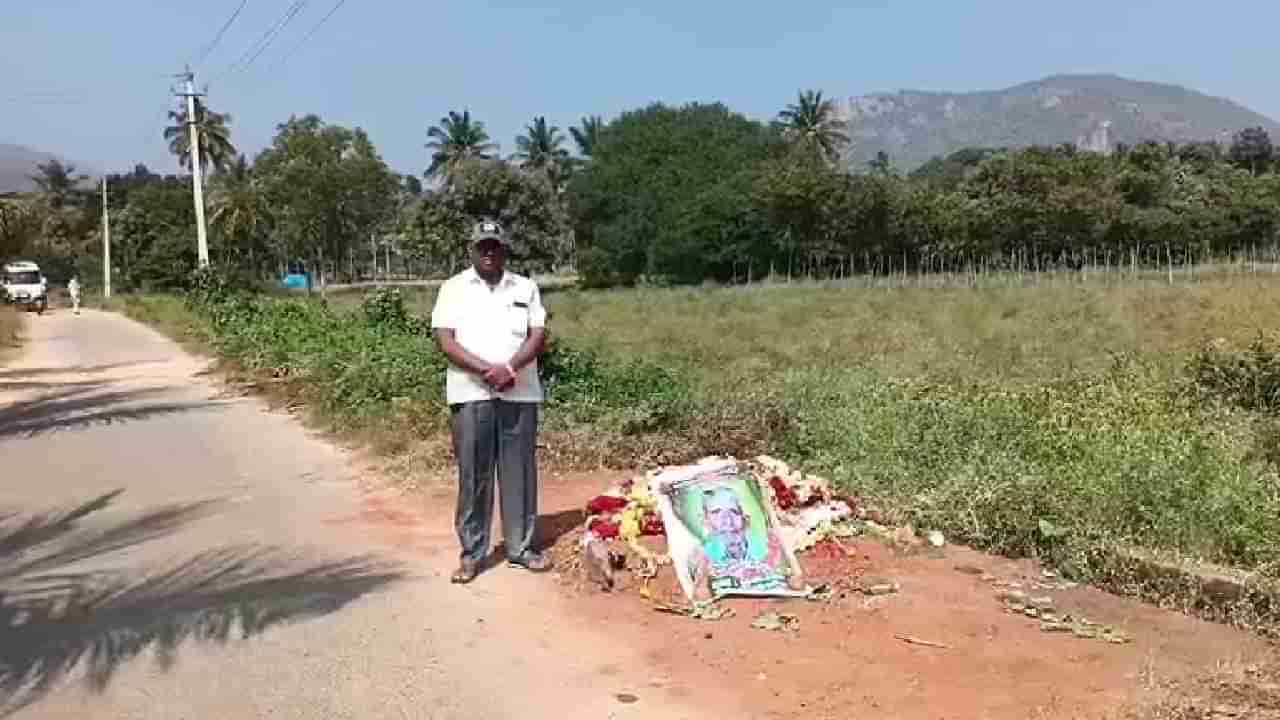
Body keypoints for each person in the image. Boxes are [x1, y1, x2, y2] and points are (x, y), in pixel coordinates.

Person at [431, 219, 551, 584]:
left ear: (504, 250)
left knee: (519, 474)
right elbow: (446, 340)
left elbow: (538, 334)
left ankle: (521, 548)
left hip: (520, 392)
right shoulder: (453, 289)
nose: (488, 252)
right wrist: (487, 371)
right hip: (471, 393)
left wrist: (510, 368)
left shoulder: (525, 288)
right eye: (482, 246)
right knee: (474, 476)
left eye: (494, 246)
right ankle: (472, 554)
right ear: (471, 250)